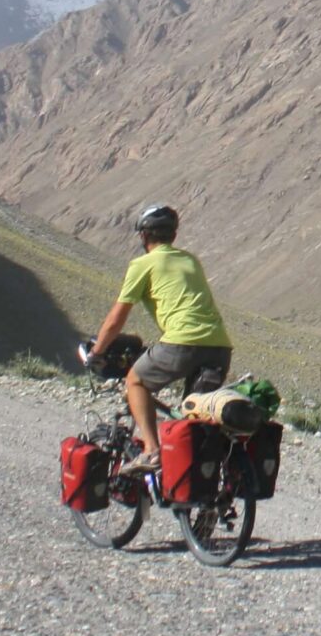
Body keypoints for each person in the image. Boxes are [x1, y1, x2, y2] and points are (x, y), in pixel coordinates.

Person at [86, 204, 233, 477]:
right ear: (173, 235)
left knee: (135, 380)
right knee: (194, 417)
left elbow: (116, 319)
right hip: (220, 347)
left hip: (182, 343)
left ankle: (151, 451)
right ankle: (204, 490)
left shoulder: (143, 264)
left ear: (143, 236)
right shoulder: (190, 260)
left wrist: (97, 352)